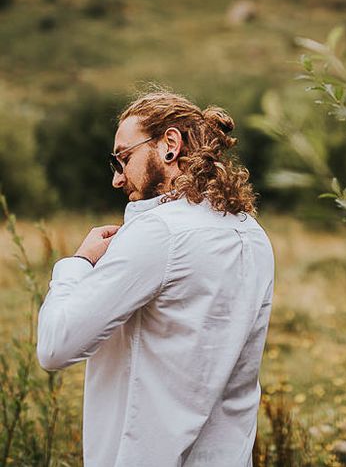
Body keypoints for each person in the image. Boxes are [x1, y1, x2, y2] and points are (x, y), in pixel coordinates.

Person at [37, 90, 274, 467]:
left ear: (169, 145)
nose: (117, 179)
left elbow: (55, 346)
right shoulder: (253, 235)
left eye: (122, 159)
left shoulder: (159, 233)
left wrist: (78, 263)